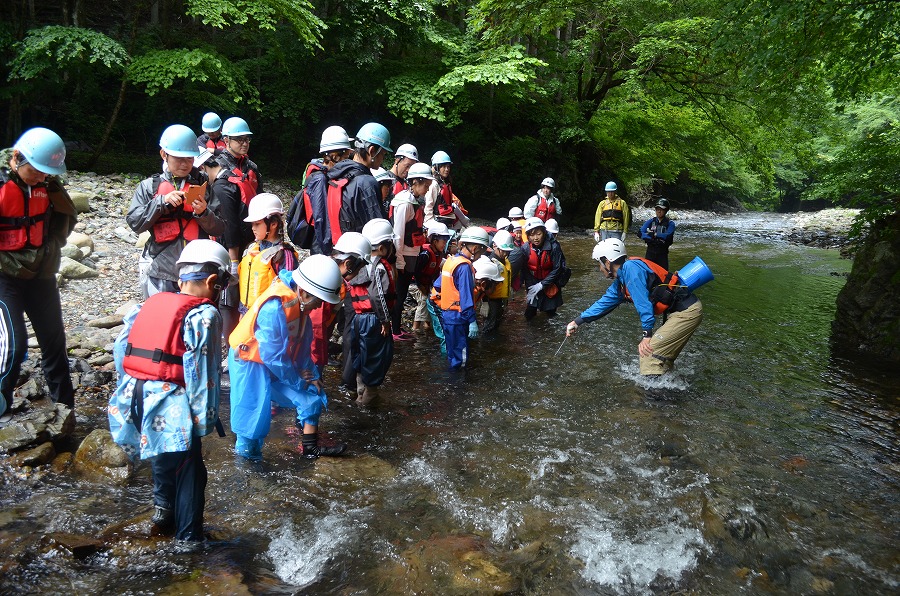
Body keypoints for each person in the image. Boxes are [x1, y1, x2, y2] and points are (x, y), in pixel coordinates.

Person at [108, 239, 230, 544]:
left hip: (132, 398)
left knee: (162, 454)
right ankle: (188, 541)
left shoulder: (146, 304)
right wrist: (202, 423)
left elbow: (121, 350)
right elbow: (205, 375)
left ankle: (162, 514)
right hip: (168, 405)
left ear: (180, 278)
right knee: (192, 468)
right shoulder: (205, 316)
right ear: (214, 282)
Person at [229, 254, 346, 460]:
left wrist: (310, 377)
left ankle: (310, 450)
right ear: (303, 292)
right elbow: (273, 356)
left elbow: (302, 350)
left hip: (277, 364)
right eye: (318, 301)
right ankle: (247, 468)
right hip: (249, 363)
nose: (319, 307)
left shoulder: (301, 308)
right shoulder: (274, 307)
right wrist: (297, 380)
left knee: (311, 398)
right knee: (252, 425)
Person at [0, 127, 77, 420]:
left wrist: (49, 249)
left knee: (54, 342)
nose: (42, 177)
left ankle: (66, 409)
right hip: (5, 275)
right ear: (17, 158)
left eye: (46, 172)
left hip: (41, 274)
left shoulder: (49, 183)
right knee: (15, 342)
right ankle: (1, 403)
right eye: (36, 171)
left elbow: (65, 219)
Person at [566, 239, 703, 376]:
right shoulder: (622, 281)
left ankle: (652, 396)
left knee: (649, 355)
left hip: (686, 312)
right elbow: (604, 303)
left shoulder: (631, 269)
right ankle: (668, 392)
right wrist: (577, 321)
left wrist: (647, 335)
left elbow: (643, 303)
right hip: (681, 312)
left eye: (599, 264)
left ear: (607, 262)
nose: (600, 268)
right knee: (661, 360)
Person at [127, 124, 225, 298]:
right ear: (164, 154)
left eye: (189, 158)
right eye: (178, 158)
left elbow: (219, 227)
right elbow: (135, 223)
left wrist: (203, 213)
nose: (185, 164)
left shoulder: (203, 185)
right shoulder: (149, 187)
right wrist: (161, 203)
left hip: (196, 271)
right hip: (162, 270)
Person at [348, 218, 397, 404]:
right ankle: (369, 396)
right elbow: (378, 296)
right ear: (384, 248)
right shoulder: (379, 266)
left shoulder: (359, 263)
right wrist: (385, 320)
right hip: (374, 320)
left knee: (361, 354)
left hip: (358, 318)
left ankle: (361, 390)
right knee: (378, 356)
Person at [286, 125, 354, 254]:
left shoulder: (329, 175)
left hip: (324, 240)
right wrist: (328, 251)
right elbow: (321, 219)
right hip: (321, 243)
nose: (347, 158)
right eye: (345, 155)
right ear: (334, 155)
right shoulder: (319, 179)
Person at [324, 122, 391, 245]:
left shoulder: (339, 172)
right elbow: (378, 230)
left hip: (340, 246)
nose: (383, 159)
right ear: (372, 151)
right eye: (383, 154)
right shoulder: (366, 183)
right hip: (359, 253)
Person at [389, 161, 432, 339]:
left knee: (403, 291)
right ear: (415, 182)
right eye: (426, 185)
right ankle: (394, 330)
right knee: (398, 294)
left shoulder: (414, 201)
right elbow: (397, 235)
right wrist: (399, 262)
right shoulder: (405, 203)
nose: (428, 190)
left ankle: (397, 328)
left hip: (410, 254)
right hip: (404, 255)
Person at [438, 226, 490, 369]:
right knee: (461, 358)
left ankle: (451, 385)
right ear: (474, 248)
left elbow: (437, 285)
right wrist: (472, 321)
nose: (482, 253)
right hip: (459, 318)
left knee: (452, 354)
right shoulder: (464, 267)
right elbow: (466, 297)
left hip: (447, 315)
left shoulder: (450, 261)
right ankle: (458, 388)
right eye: (482, 249)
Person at [237, 193, 299, 310]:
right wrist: (241, 311)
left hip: (266, 317)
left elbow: (289, 292)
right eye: (252, 224)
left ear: (273, 224)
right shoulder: (252, 248)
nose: (253, 228)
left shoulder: (284, 255)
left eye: (257, 224)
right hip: (247, 313)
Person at [521, 217, 566, 320]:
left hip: (551, 282)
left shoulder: (554, 247)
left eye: (538, 234)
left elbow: (557, 269)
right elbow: (526, 271)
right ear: (527, 236)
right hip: (533, 281)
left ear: (544, 233)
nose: (535, 238)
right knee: (529, 314)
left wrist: (542, 285)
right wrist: (531, 288)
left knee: (551, 314)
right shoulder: (525, 249)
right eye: (532, 235)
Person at [413, 221, 452, 333]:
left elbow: (435, 273)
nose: (445, 243)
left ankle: (427, 325)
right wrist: (421, 287)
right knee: (424, 300)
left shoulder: (438, 254)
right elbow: (417, 273)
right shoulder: (425, 254)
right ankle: (415, 328)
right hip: (416, 283)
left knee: (434, 298)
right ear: (435, 241)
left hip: (427, 282)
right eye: (443, 241)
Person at [424, 151, 470, 230]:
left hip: (447, 219)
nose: (447, 169)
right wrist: (430, 224)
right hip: (438, 220)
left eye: (448, 166)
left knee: (460, 222)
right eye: (444, 166)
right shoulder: (434, 184)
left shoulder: (445, 183)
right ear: (436, 167)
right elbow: (428, 206)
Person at [482, 230, 517, 334]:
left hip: (501, 299)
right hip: (491, 301)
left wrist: (509, 290)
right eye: (503, 250)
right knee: (489, 326)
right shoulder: (489, 262)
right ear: (495, 246)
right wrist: (484, 302)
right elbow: (483, 284)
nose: (506, 254)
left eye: (508, 251)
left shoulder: (505, 261)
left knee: (497, 323)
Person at [640, 198, 675, 270]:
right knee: (648, 273)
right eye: (657, 209)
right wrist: (649, 237)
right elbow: (640, 232)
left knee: (663, 275)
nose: (659, 211)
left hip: (662, 253)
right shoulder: (651, 221)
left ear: (666, 210)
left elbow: (668, 236)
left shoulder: (670, 223)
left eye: (661, 209)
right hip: (650, 252)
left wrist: (655, 235)